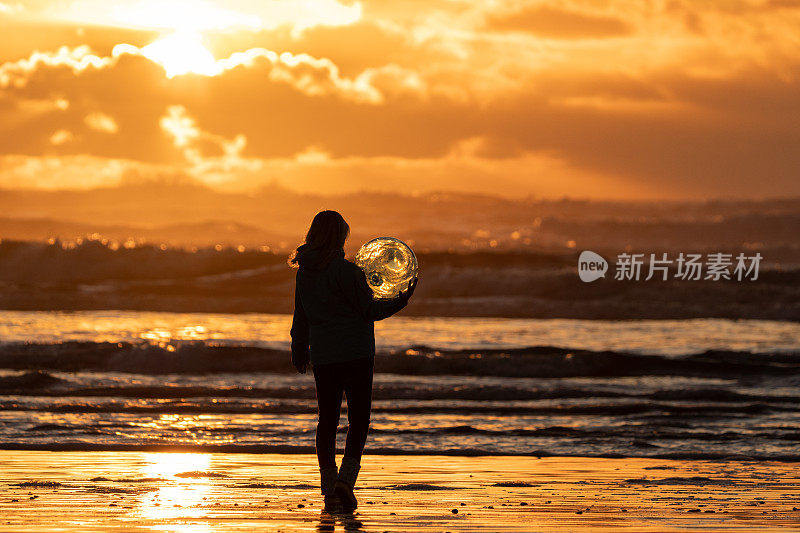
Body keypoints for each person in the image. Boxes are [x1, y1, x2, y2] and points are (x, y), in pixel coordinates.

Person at [288, 210, 418, 512]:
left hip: (323, 356)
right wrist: (402, 299)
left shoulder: (304, 271)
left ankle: (328, 487)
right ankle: (346, 481)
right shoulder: (346, 273)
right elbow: (370, 311)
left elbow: (301, 313)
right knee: (358, 420)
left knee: (328, 421)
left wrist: (298, 347)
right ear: (339, 236)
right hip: (356, 353)